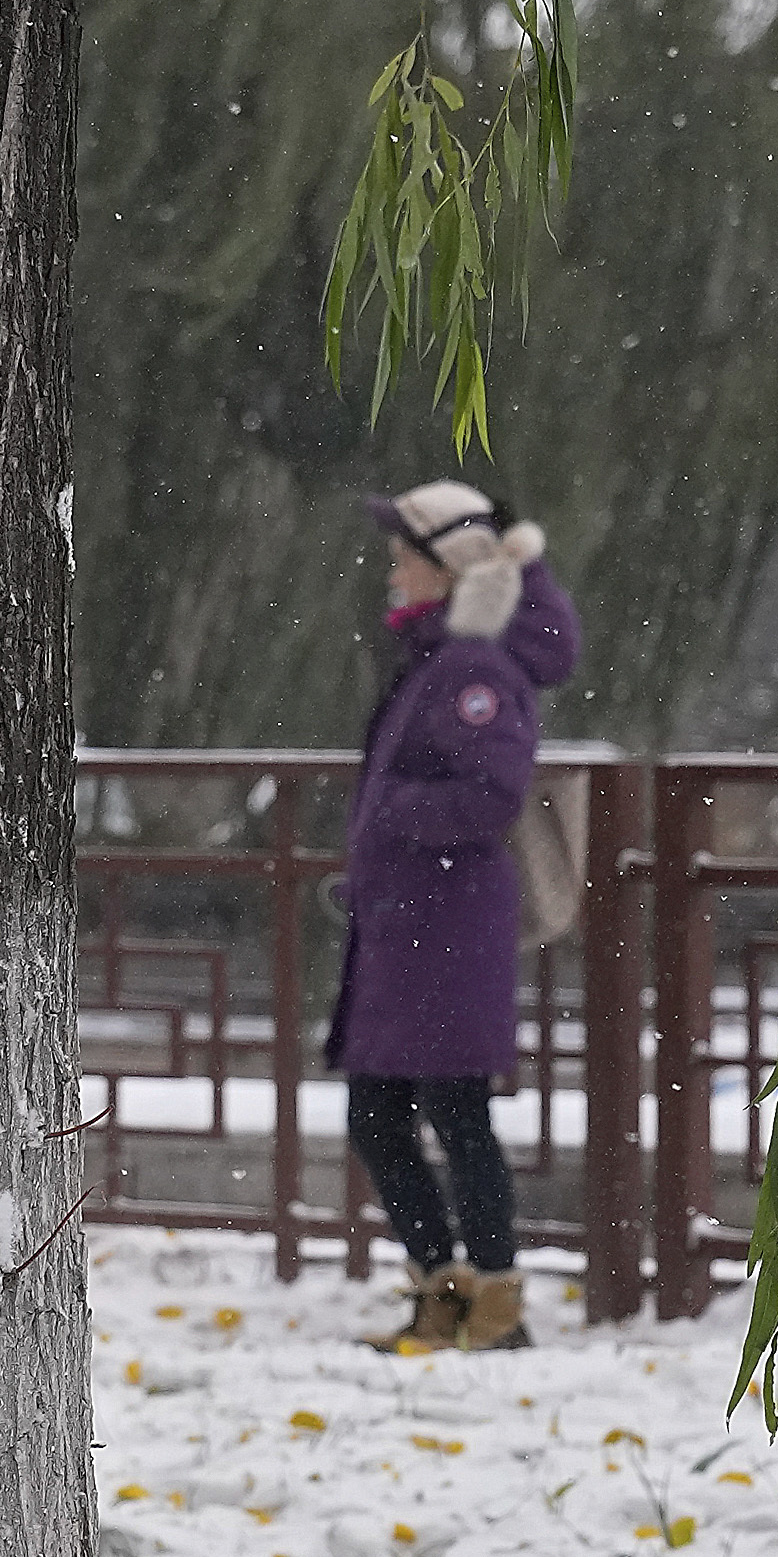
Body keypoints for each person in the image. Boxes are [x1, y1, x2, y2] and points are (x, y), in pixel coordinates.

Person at [327, 479, 575, 1354]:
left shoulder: (473, 668)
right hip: (408, 920)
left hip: (445, 925)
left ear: (450, 567)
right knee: (381, 1114)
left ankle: (495, 1301)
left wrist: (392, 816)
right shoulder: (440, 659)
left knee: (451, 1110)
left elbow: (494, 791)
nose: (393, 568)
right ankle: (445, 1287)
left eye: (407, 553)